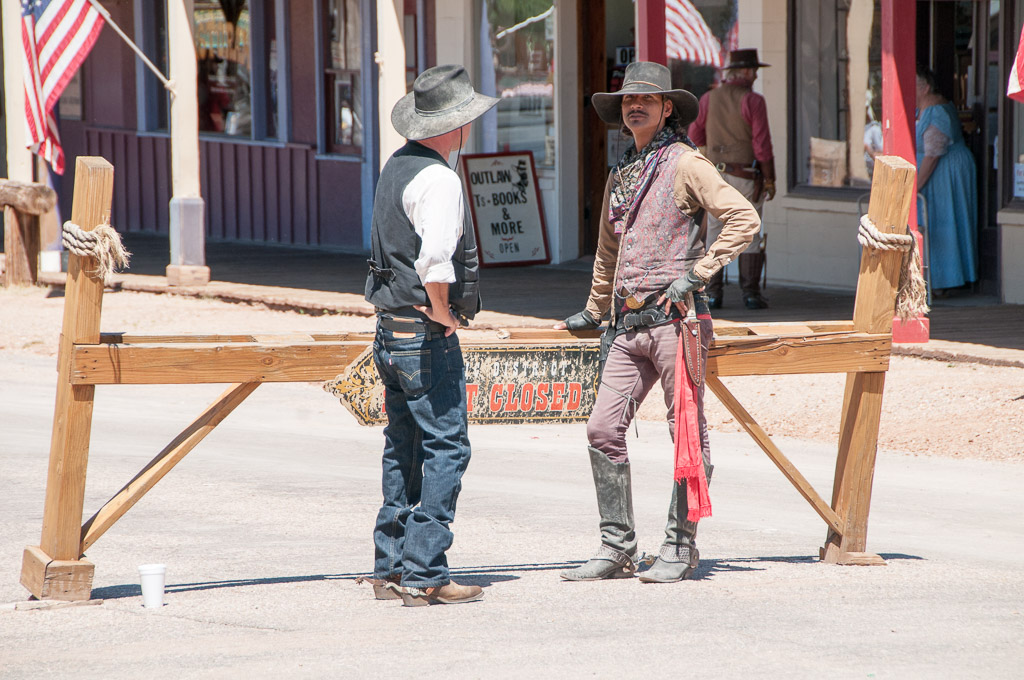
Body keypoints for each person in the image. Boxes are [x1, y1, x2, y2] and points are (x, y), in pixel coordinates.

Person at [556, 62, 760, 583]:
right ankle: (617, 546)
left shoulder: (687, 164)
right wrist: (597, 308)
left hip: (676, 322)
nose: (635, 107)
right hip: (626, 325)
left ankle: (680, 545)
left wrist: (699, 274)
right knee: (603, 428)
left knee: (687, 434)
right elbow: (607, 251)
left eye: (646, 100)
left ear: (668, 108)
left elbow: (744, 217)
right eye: (627, 102)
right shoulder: (621, 172)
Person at [361, 65, 498, 606]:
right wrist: (444, 315)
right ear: (457, 124)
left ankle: (390, 567)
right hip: (421, 332)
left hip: (388, 330)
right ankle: (424, 572)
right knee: (446, 446)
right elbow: (435, 264)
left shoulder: (396, 165)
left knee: (403, 446)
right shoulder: (440, 179)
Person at [688, 49, 776, 310]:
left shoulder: (708, 98)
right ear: (747, 73)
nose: (756, 75)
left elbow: (696, 136)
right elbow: (762, 145)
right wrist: (770, 178)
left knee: (714, 231)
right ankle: (750, 293)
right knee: (749, 231)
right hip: (745, 175)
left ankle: (712, 294)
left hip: (715, 175)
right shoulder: (753, 100)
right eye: (755, 71)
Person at [916, 66, 978, 294]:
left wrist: (916, 186)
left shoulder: (937, 110)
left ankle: (943, 281)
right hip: (936, 172)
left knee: (943, 222)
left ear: (925, 87)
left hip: (943, 174)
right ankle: (933, 280)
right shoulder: (921, 108)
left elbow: (932, 154)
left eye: (913, 84)